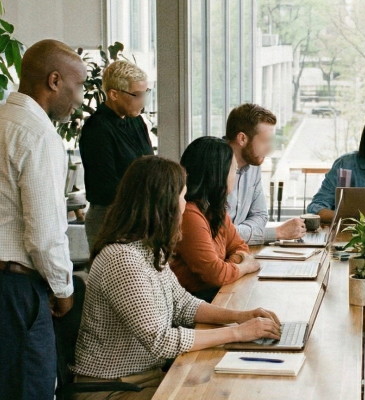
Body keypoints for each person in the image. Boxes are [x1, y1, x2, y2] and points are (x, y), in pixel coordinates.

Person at [72, 156, 281, 399]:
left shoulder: (147, 248)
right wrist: (238, 333)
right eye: (182, 196)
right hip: (113, 388)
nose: (185, 204)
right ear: (164, 203)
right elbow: (160, 340)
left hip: (144, 377)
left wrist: (240, 317)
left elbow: (183, 304)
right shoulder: (122, 258)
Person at [0, 39, 83, 400]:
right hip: (18, 289)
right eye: (77, 85)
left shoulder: (3, 119)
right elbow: (45, 234)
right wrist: (64, 290)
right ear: (54, 81)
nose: (80, 98)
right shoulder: (39, 135)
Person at [171, 137, 260, 302]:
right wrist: (244, 266)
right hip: (192, 302)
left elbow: (239, 246)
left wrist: (231, 263)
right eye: (234, 170)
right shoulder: (189, 214)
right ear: (217, 174)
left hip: (211, 294)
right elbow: (216, 274)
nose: (236, 175)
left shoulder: (213, 208)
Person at [80, 60, 154, 248]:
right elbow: (106, 188)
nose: (143, 102)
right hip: (110, 219)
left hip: (139, 215)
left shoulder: (136, 121)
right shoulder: (96, 129)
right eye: (137, 95)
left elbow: (151, 166)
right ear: (113, 94)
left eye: (145, 94)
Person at [225, 103, 305, 245]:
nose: (270, 150)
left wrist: (239, 234)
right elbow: (218, 233)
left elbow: (260, 215)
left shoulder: (253, 163)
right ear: (242, 138)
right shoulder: (212, 166)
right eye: (265, 141)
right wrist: (277, 233)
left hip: (237, 252)